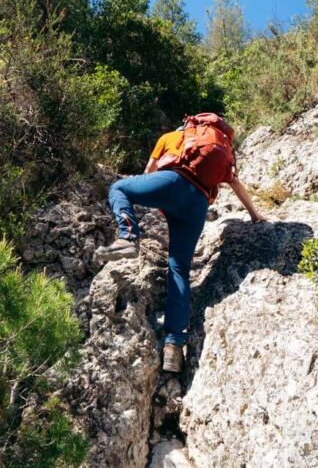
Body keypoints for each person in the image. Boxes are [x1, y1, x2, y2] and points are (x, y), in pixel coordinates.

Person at [106, 114, 267, 373]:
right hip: (198, 203)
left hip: (173, 183)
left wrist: (159, 200)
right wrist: (254, 215)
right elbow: (235, 183)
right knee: (179, 268)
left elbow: (150, 173)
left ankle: (127, 237)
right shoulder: (219, 149)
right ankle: (174, 347)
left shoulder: (171, 138)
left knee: (118, 189)